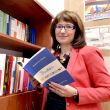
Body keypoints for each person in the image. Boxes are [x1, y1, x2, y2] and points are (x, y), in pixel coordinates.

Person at [33, 10, 110, 110]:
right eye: (59, 26)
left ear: (77, 30)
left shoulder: (89, 53)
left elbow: (107, 91)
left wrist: (75, 93)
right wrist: (39, 86)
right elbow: (51, 90)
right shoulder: (52, 56)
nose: (62, 31)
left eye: (69, 26)